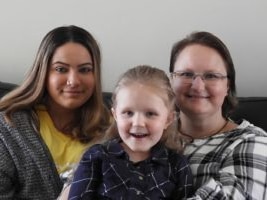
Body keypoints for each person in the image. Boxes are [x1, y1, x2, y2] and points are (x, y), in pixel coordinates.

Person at [0, 25, 110, 199]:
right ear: (43, 72)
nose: (73, 81)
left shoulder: (115, 129)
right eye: (61, 69)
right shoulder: (8, 127)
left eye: (84, 69)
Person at [68, 65, 193, 199]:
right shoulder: (96, 157)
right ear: (115, 115)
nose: (138, 122)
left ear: (168, 119)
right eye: (128, 113)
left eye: (150, 114)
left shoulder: (177, 166)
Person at [169, 31, 267, 199]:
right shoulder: (148, 133)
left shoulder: (253, 143)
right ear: (171, 80)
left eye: (211, 76)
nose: (198, 86)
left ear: (228, 86)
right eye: (186, 74)